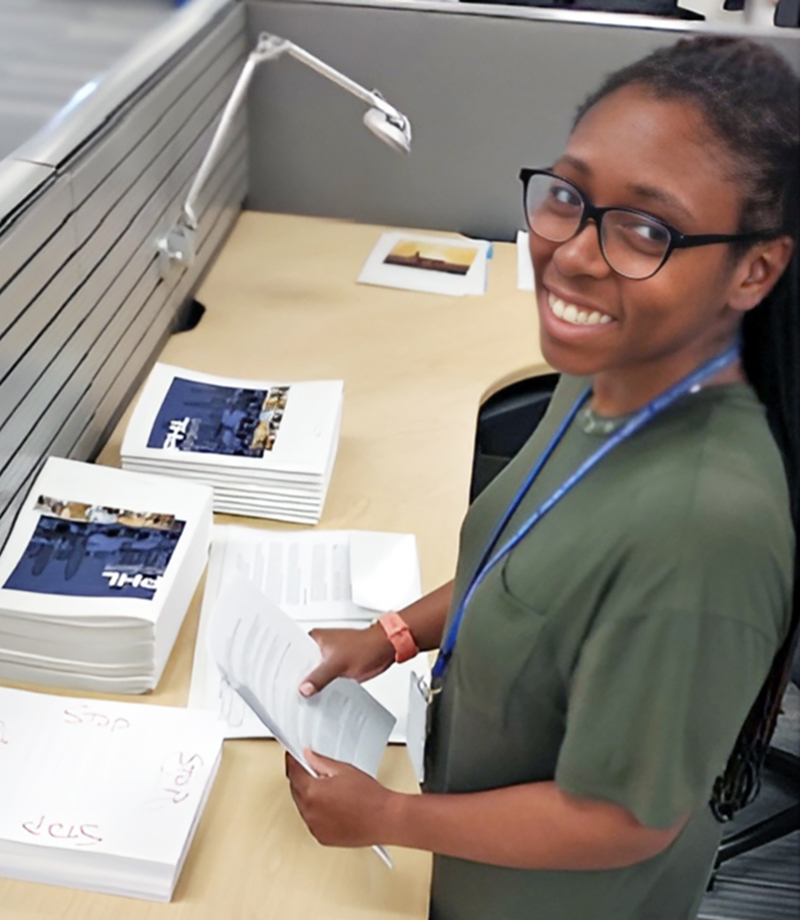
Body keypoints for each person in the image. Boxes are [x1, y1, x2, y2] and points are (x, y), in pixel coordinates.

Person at [285, 36, 800, 920]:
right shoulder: (608, 370)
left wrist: (392, 816)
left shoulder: (706, 528)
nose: (573, 255)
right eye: (570, 198)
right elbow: (527, 559)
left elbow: (620, 821)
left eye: (648, 228)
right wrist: (395, 634)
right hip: (477, 813)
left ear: (753, 267)